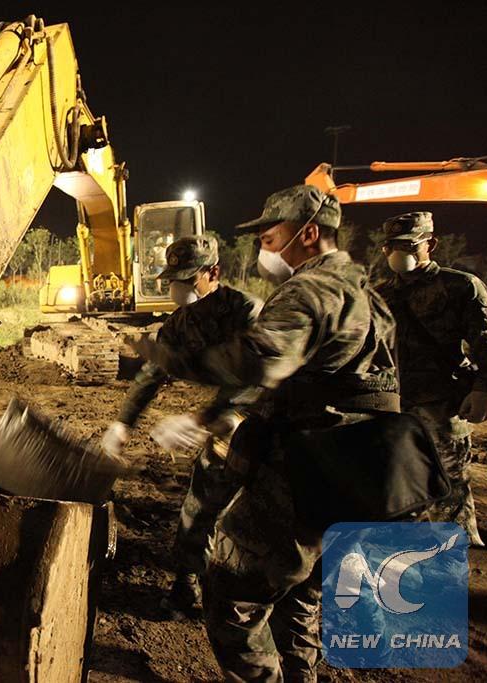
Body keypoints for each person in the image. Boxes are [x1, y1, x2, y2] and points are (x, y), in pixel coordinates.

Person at [145, 185, 399, 681]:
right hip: (365, 470)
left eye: (270, 234)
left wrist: (173, 367)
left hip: (309, 468)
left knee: (232, 592)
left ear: (308, 233)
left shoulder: (310, 289)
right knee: (299, 597)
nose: (262, 243)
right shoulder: (367, 292)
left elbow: (257, 362)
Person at [101, 235, 262, 612]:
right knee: (201, 502)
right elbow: (152, 374)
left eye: (187, 279)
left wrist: (207, 418)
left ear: (213, 273)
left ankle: (253, 595)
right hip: (223, 425)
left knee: (260, 513)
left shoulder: (247, 312)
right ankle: (188, 581)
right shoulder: (179, 324)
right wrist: (123, 424)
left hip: (265, 418)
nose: (178, 288)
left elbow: (261, 375)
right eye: (173, 280)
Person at [375, 211, 487, 546]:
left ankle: (460, 550)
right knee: (398, 482)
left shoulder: (460, 286)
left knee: (448, 482)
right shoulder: (380, 295)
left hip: (443, 405)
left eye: (409, 244)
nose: (400, 252)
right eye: (393, 245)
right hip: (394, 405)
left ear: (430, 244)